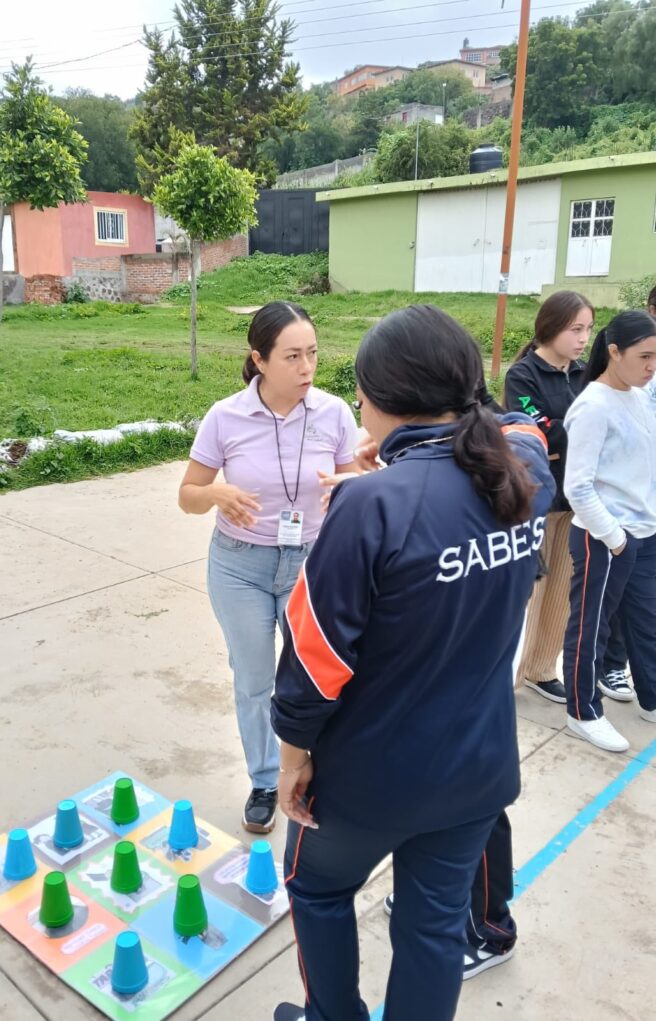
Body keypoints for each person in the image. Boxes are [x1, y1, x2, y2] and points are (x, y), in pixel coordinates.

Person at [270, 305, 554, 1021]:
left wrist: (294, 753)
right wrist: (400, 458)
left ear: (376, 397)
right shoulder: (520, 478)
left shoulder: (370, 506)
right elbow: (522, 436)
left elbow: (313, 656)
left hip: (373, 776)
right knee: (431, 927)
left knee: (317, 889)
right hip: (476, 772)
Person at [178, 301, 358, 834]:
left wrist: (346, 489)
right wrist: (215, 494)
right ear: (259, 359)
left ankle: (308, 771)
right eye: (293, 357)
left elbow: (358, 482)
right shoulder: (225, 417)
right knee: (255, 680)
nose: (307, 369)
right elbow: (186, 496)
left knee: (312, 677)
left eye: (313, 355)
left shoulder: (333, 413)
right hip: (240, 566)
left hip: (312, 563)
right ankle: (263, 779)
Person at [562, 310, 656, 752]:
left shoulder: (638, 396)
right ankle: (583, 710)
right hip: (604, 536)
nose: (652, 366)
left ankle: (650, 697)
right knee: (590, 627)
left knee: (646, 620)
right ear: (614, 352)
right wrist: (615, 539)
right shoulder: (593, 406)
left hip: (642, 530)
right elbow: (577, 485)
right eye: (645, 356)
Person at [503, 291, 593, 703]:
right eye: (576, 329)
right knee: (526, 589)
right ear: (551, 327)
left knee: (561, 590)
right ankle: (504, 675)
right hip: (537, 498)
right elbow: (538, 432)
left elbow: (568, 430)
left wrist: (564, 430)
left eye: (588, 329)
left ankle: (541, 669)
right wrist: (572, 430)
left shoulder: (584, 373)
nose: (582, 338)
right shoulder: (523, 375)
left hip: (577, 497)